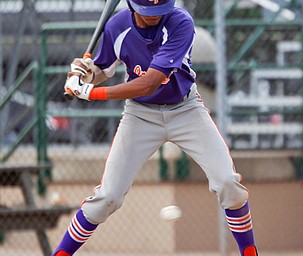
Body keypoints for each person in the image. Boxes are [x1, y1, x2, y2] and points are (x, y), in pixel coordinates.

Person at [53, 0, 258, 255]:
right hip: (140, 116)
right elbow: (102, 69)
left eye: (159, 9)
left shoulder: (180, 22)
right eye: (147, 10)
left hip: (186, 110)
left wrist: (90, 92)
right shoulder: (117, 25)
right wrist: (84, 73)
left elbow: (149, 83)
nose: (153, 16)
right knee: (107, 198)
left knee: (228, 183)